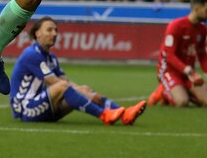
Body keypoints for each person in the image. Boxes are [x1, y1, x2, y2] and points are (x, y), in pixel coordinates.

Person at [10, 16, 146, 124]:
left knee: (83, 89)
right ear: (37, 33)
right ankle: (104, 115)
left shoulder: (51, 57)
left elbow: (65, 81)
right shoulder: (31, 54)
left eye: (56, 30)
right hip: (26, 109)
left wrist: (85, 91)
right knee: (64, 87)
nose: (54, 33)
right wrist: (79, 91)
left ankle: (124, 114)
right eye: (49, 30)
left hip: (43, 107)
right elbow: (55, 82)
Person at [148, 0, 207, 107]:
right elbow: (169, 55)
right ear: (197, 9)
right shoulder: (176, 26)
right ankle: (163, 92)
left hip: (188, 75)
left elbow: (202, 54)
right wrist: (188, 70)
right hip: (169, 71)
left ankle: (181, 90)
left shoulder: (202, 29)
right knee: (182, 102)